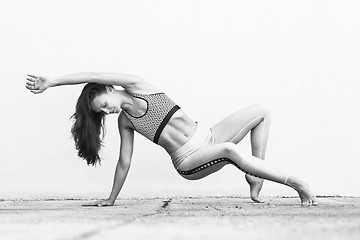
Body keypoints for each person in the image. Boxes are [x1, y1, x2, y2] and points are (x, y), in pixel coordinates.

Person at [25, 72, 318, 206]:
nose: (109, 110)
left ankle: (256, 177)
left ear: (111, 88)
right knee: (229, 150)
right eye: (103, 113)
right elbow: (124, 163)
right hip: (189, 161)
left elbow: (92, 70)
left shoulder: (140, 85)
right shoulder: (127, 123)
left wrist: (53, 82)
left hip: (209, 135)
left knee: (262, 111)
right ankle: (296, 183)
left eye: (104, 103)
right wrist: (110, 199)